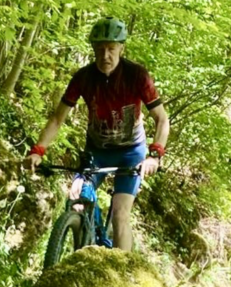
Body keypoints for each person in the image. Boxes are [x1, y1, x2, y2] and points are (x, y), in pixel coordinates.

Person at [26, 16, 169, 252]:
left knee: (120, 214)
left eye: (111, 49)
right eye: (100, 49)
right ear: (93, 49)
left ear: (121, 48)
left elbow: (161, 118)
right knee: (76, 200)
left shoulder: (137, 76)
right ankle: (81, 247)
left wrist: (154, 155)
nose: (105, 55)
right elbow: (57, 118)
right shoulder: (83, 78)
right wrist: (38, 151)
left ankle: (122, 269)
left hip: (131, 152)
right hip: (96, 152)